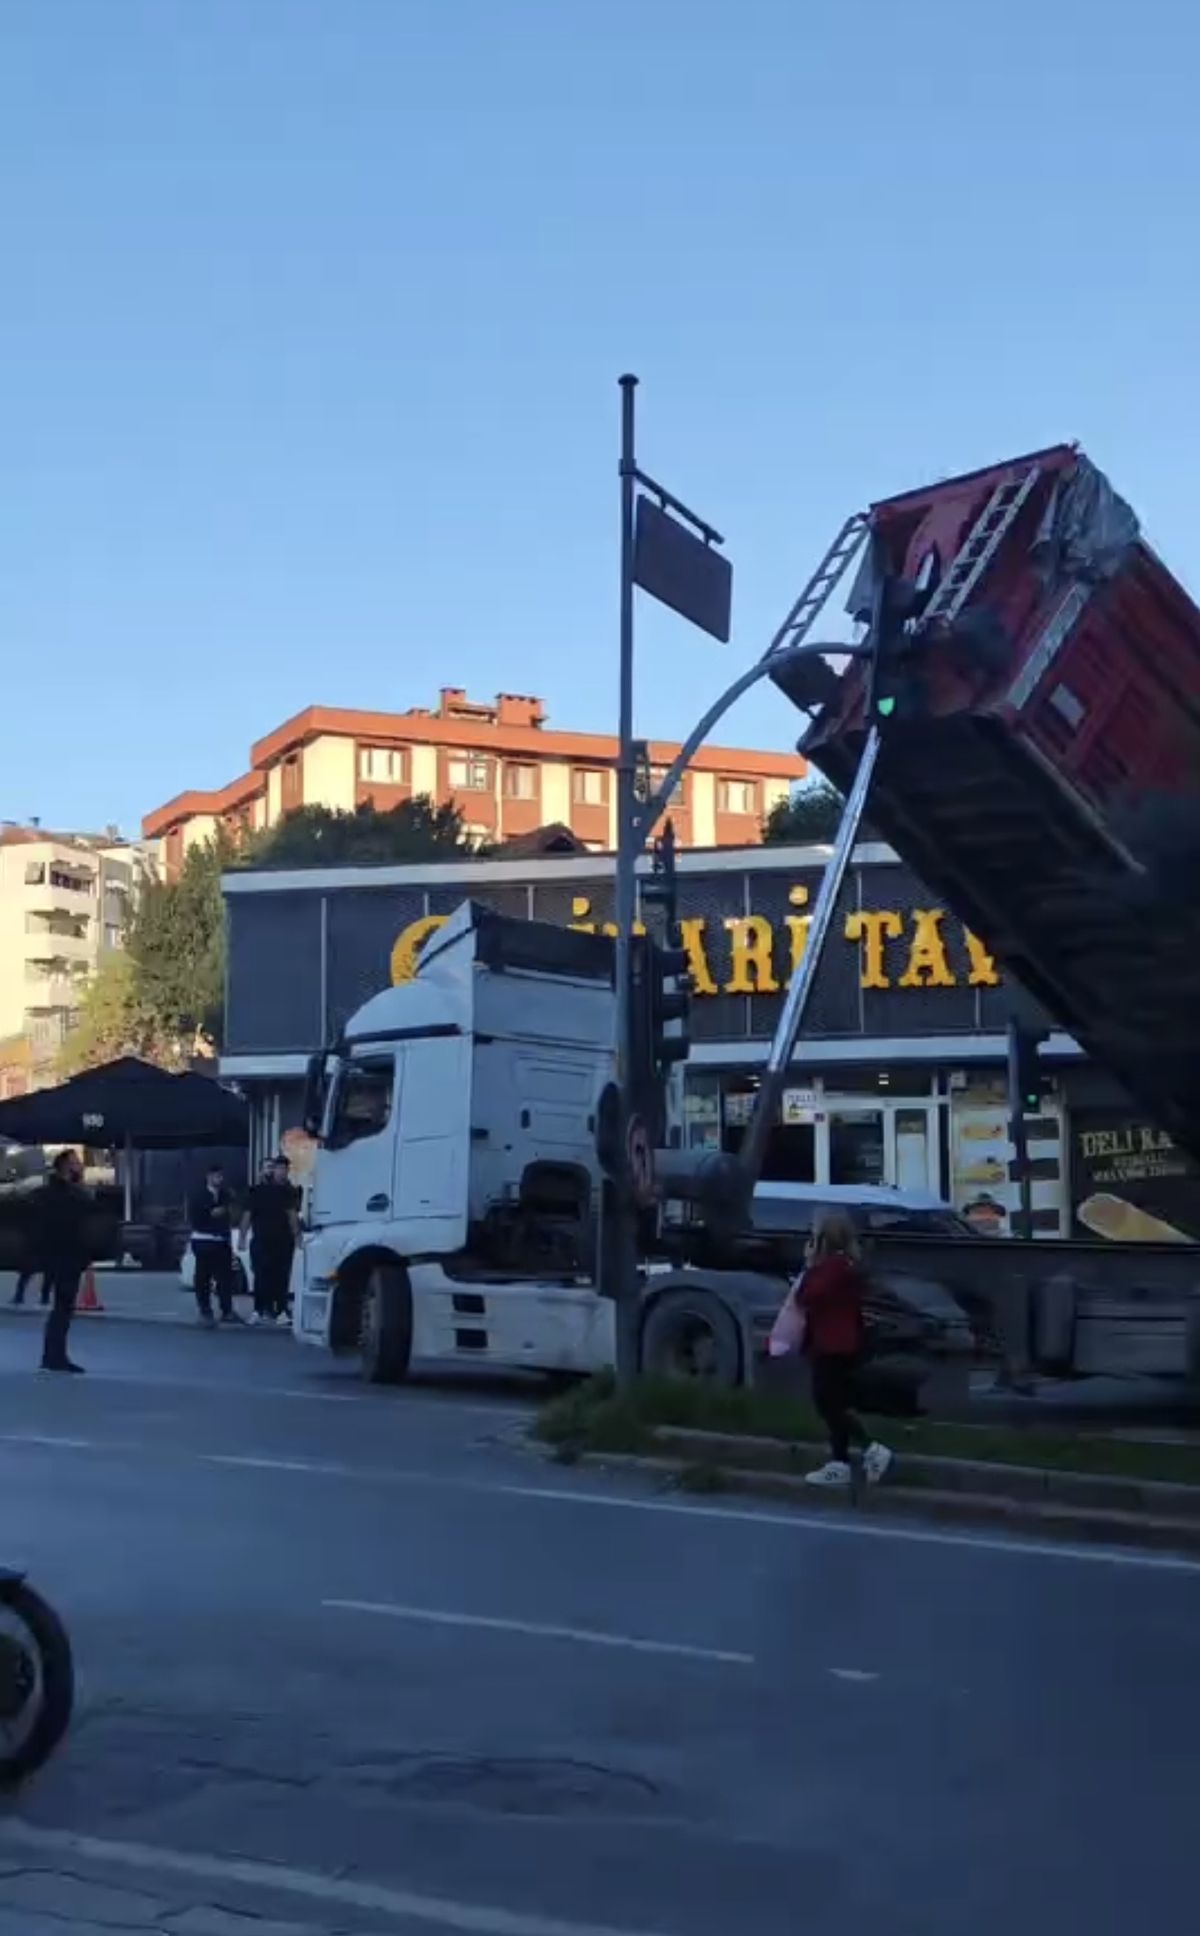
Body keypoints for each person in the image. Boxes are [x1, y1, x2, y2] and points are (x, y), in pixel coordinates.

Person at [797, 1210, 892, 1489]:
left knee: (829, 1403)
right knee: (834, 1403)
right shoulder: (846, 1265)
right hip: (840, 1342)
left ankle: (872, 1449)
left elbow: (807, 1296)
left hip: (833, 1344)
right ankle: (839, 1463)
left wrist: (808, 1264)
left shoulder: (833, 1268)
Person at [39, 1149, 92, 1375]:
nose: (81, 1165)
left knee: (62, 1310)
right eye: (76, 1162)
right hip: (63, 1257)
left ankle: (55, 1356)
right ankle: (54, 1358)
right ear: (66, 1167)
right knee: (62, 1309)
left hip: (63, 1257)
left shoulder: (59, 1192)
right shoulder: (62, 1194)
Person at [239, 1155, 300, 1325]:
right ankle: (259, 1310)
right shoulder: (256, 1191)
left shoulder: (287, 1191)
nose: (279, 1171)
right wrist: (242, 1237)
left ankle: (280, 1310)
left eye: (282, 1168)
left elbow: (292, 1215)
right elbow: (247, 1214)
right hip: (261, 1239)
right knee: (260, 1275)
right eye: (276, 1168)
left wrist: (297, 1236)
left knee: (281, 1276)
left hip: (283, 1240)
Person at [188, 1163, 241, 1328]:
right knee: (203, 1276)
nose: (220, 1179)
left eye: (221, 1176)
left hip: (221, 1240)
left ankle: (227, 1309)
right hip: (203, 1239)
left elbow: (232, 1211)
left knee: (225, 1277)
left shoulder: (225, 1195)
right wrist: (211, 1214)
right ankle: (205, 1310)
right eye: (216, 1176)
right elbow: (196, 1217)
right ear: (209, 1177)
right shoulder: (199, 1195)